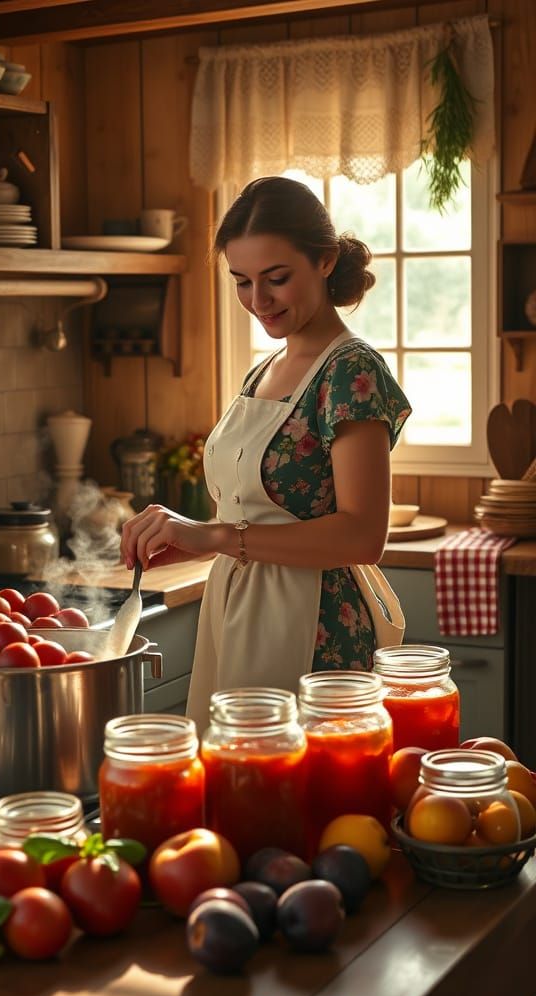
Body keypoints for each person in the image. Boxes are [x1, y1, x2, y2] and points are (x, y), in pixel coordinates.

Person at [121, 176, 412, 733]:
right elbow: (253, 511)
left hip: (315, 625)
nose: (259, 302)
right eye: (241, 282)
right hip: (237, 609)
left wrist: (215, 537)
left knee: (293, 801)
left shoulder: (350, 371)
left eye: (277, 279)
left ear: (325, 260)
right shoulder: (266, 369)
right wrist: (186, 536)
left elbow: (362, 536)